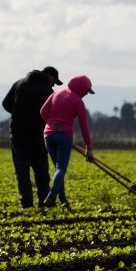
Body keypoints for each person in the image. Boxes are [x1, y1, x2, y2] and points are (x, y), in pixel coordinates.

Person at [2, 66, 62, 208]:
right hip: (38, 135)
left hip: (18, 133)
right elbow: (53, 115)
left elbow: (6, 103)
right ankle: (43, 201)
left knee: (21, 169)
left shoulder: (19, 83)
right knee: (41, 168)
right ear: (49, 76)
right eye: (54, 80)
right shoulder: (48, 91)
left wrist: (19, 114)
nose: (53, 84)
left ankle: (26, 204)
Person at [39, 74, 95, 209]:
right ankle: (52, 195)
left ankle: (64, 203)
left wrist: (52, 125)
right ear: (81, 89)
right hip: (64, 136)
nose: (86, 94)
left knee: (59, 170)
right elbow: (83, 126)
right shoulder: (78, 102)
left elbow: (42, 112)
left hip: (48, 135)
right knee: (61, 169)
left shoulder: (57, 93)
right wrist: (89, 147)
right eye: (86, 92)